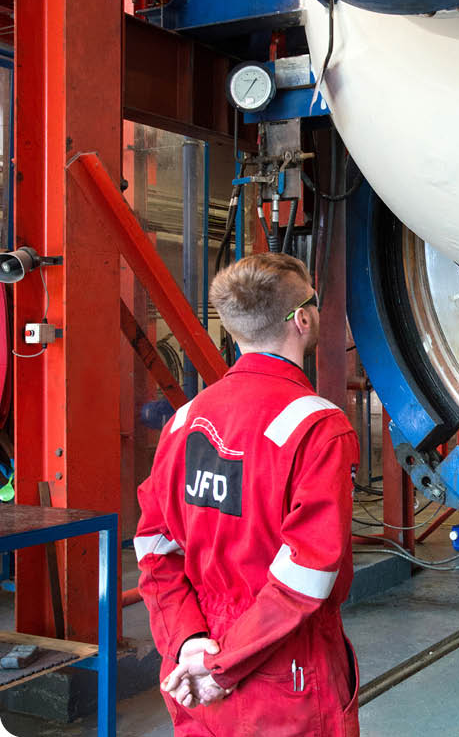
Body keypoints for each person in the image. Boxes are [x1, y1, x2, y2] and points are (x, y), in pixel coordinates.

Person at [135, 253, 361, 736]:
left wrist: (190, 644)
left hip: (194, 665)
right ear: (302, 318)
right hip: (285, 671)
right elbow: (307, 575)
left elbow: (155, 551)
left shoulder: (182, 421)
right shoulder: (318, 428)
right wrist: (225, 666)